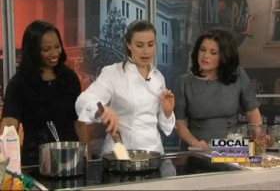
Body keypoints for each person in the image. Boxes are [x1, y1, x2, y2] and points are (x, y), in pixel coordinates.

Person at [75, 19, 175, 156]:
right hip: (120, 155)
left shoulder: (159, 78)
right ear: (129, 45)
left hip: (154, 154)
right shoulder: (113, 73)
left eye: (150, 44)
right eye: (139, 45)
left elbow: (166, 127)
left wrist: (167, 112)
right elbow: (82, 102)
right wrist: (101, 110)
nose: (146, 51)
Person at [0, 20, 81, 165]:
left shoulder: (69, 79)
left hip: (71, 160)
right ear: (33, 51)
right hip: (34, 163)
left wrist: (87, 160)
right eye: (46, 49)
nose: (54, 53)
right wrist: (9, 171)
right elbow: (8, 128)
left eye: (57, 46)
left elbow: (79, 123)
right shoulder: (19, 84)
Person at [174, 28, 263, 151]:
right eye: (202, 50)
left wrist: (257, 141)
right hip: (197, 151)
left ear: (224, 55)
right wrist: (195, 143)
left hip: (231, 151)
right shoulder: (184, 82)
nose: (206, 56)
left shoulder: (238, 75)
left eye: (213, 52)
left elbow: (253, 113)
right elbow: (179, 123)